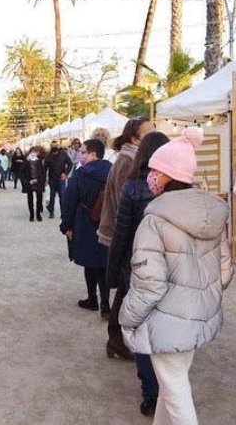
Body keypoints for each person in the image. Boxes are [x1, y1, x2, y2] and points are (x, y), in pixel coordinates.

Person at [120, 127, 232, 425]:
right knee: (173, 383)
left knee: (175, 390)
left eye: (155, 170)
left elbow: (149, 285)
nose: (150, 175)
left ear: (168, 174)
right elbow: (224, 269)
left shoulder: (154, 221)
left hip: (166, 318)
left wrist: (127, 319)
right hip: (197, 314)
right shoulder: (212, 214)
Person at [106, 131, 169, 417]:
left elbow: (121, 235)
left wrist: (114, 272)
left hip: (139, 268)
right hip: (171, 268)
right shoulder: (180, 188)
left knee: (143, 330)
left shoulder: (132, 187)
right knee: (166, 328)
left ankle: (150, 394)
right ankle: (167, 386)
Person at [99, 118, 155, 359]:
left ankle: (116, 339)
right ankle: (116, 338)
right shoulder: (128, 162)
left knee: (125, 290)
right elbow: (127, 208)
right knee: (126, 291)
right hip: (122, 237)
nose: (155, 137)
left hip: (123, 236)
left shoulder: (130, 160)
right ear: (135, 138)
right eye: (149, 133)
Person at [60, 139, 113, 318]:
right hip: (107, 223)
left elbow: (68, 201)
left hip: (85, 222)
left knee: (90, 263)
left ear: (93, 154)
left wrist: (66, 225)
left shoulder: (81, 175)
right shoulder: (112, 171)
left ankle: (92, 299)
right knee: (103, 264)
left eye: (83, 152)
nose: (80, 155)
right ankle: (106, 305)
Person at [44, 141, 73, 219]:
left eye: (55, 145)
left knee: (62, 196)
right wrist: (45, 179)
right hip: (52, 179)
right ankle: (51, 212)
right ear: (51, 147)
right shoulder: (48, 156)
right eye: (52, 146)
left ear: (58, 146)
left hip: (61, 178)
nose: (54, 147)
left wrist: (66, 173)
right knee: (52, 196)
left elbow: (70, 164)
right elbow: (44, 168)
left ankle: (63, 213)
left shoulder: (63, 154)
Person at [21, 146, 46, 222]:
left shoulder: (39, 160)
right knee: (30, 199)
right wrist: (25, 181)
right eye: (32, 152)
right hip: (29, 182)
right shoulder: (26, 161)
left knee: (39, 199)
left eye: (34, 152)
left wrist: (42, 181)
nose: (33, 153)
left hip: (38, 182)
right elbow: (22, 172)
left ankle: (38, 214)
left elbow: (43, 172)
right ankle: (31, 214)